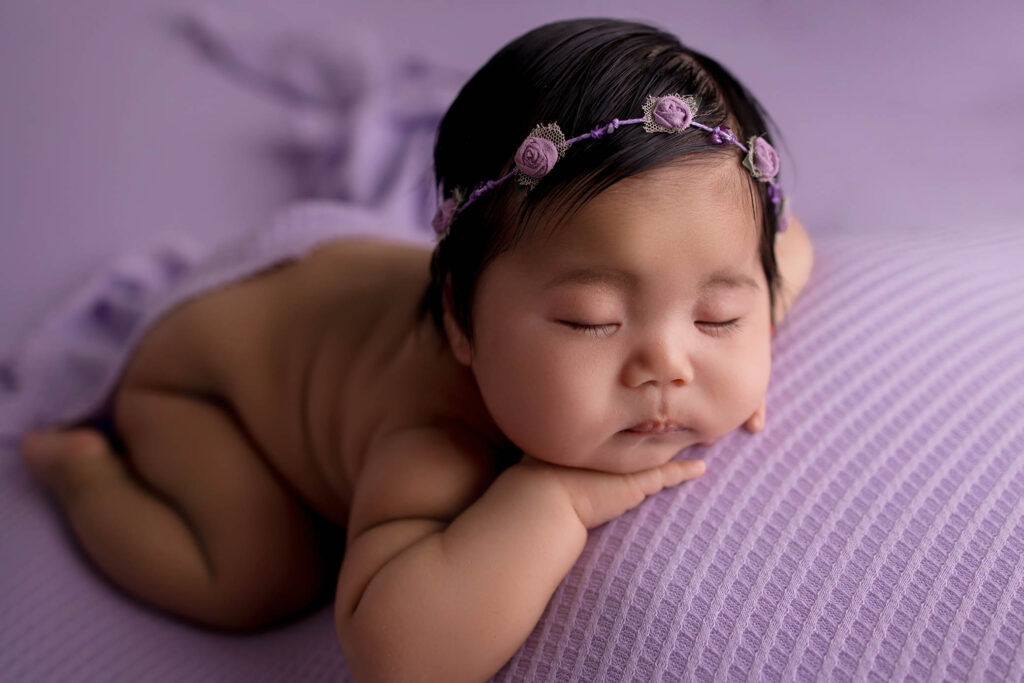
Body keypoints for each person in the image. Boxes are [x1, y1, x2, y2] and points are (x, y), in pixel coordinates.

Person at [19, 18, 813, 682]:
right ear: (461, 327)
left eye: (714, 317)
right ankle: (81, 471)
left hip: (329, 271)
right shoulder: (434, 438)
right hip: (207, 379)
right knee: (260, 577)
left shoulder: (695, 288)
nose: (667, 365)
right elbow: (398, 653)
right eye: (589, 320)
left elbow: (784, 250)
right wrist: (551, 501)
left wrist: (749, 331)